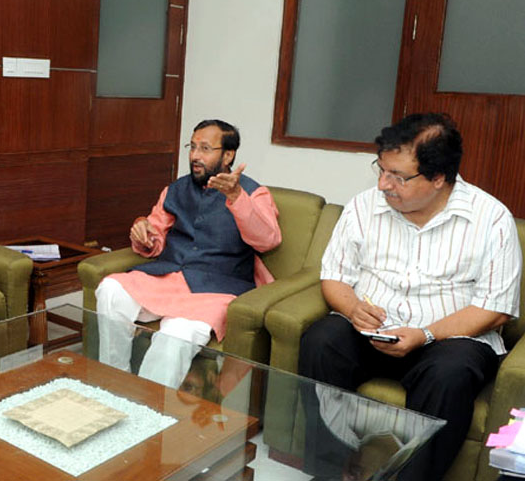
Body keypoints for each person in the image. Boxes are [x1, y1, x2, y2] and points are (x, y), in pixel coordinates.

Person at [299, 113, 521, 481]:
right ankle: (329, 469)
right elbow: (334, 278)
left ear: (438, 178)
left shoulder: (491, 219)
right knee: (321, 341)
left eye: (398, 177)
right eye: (381, 170)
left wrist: (426, 334)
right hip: (371, 332)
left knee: (450, 374)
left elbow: (495, 308)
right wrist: (354, 309)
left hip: (446, 341)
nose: (384, 185)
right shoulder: (363, 207)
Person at [96, 119, 281, 388]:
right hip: (168, 278)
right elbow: (155, 237)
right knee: (111, 289)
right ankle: (113, 382)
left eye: (205, 148)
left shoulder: (254, 193)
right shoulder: (175, 189)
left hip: (215, 289)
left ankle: (148, 410)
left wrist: (236, 198)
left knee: (174, 336)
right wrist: (144, 232)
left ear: (228, 155)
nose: (195, 156)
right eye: (192, 147)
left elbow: (267, 240)